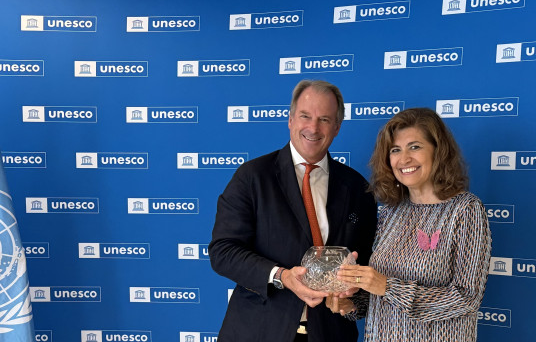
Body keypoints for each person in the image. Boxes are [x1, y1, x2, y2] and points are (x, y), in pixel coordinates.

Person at [209, 80, 378, 342]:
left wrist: (352, 296)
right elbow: (223, 251)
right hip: (259, 331)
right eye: (305, 116)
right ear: (290, 120)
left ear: (336, 127)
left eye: (324, 119)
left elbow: (368, 266)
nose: (313, 127)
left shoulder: (357, 188)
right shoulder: (253, 177)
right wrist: (283, 277)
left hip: (330, 333)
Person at [331, 107, 492, 341]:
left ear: (438, 151)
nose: (404, 159)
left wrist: (388, 287)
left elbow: (466, 298)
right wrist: (352, 302)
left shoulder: (465, 210)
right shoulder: (391, 212)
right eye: (395, 150)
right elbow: (380, 294)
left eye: (415, 147)